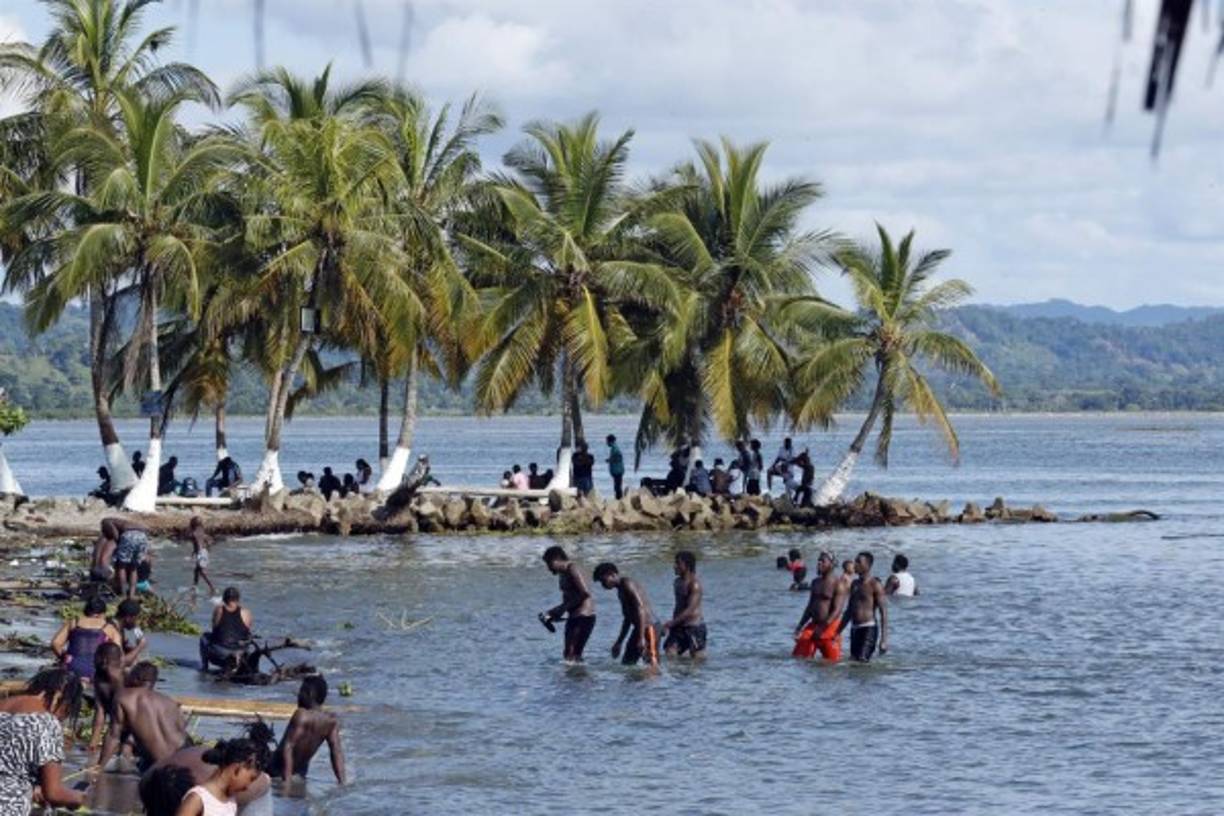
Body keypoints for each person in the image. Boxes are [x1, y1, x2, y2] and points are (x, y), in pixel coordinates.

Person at [0, 669, 86, 814]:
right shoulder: (46, 722)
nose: (62, 718)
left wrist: (33, 787)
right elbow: (54, 794)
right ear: (59, 697)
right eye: (67, 710)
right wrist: (77, 797)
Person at [100, 662, 190, 772]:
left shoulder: (124, 696)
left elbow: (113, 736)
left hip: (158, 762)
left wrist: (99, 767)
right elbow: (182, 726)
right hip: (185, 754)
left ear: (136, 678)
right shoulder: (169, 702)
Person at [272, 676, 347, 784]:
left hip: (276, 770)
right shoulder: (331, 721)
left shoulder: (301, 715)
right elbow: (336, 751)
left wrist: (287, 783)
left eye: (301, 691)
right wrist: (342, 782)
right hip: (299, 773)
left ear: (310, 694)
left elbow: (288, 747)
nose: (298, 696)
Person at [173, 737, 264, 816]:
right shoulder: (198, 799)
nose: (247, 787)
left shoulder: (231, 802)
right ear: (236, 769)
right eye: (251, 779)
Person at [593, 562, 659, 668]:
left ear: (612, 574)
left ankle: (657, 684)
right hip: (639, 629)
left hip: (649, 627)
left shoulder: (627, 583)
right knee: (627, 663)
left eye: (603, 580)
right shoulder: (620, 591)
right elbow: (628, 618)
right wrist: (619, 642)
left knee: (651, 664)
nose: (603, 585)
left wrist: (641, 638)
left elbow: (640, 608)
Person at [540, 546, 597, 662]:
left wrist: (562, 608)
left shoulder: (572, 568)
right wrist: (553, 613)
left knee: (571, 654)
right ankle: (577, 678)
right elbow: (570, 599)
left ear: (556, 559)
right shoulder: (563, 573)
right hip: (574, 616)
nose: (548, 568)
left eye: (548, 564)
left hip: (583, 616)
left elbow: (585, 593)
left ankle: (577, 678)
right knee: (571, 654)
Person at [50, 593, 122, 680]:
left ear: (86, 611)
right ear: (102, 614)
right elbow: (118, 653)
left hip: (71, 666)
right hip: (95, 670)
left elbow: (55, 643)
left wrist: (64, 656)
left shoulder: (74, 622)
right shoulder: (108, 628)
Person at [793, 551, 849, 660]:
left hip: (830, 627)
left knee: (831, 664)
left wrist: (823, 628)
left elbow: (837, 610)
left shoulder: (839, 584)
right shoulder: (815, 582)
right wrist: (799, 626)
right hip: (813, 626)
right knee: (798, 658)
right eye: (818, 561)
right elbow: (810, 607)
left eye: (823, 561)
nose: (819, 563)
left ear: (832, 564)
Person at [837, 551, 889, 662]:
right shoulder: (854, 584)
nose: (854, 564)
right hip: (855, 629)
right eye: (855, 561)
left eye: (858, 562)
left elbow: (883, 612)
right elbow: (849, 611)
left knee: (862, 661)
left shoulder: (875, 584)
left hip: (869, 629)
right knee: (853, 662)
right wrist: (837, 632)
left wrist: (883, 640)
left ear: (868, 565)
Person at [661, 551, 706, 658]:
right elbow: (678, 607)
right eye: (675, 563)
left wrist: (670, 624)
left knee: (697, 660)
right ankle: (676, 674)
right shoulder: (677, 582)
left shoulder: (694, 584)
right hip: (678, 627)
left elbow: (690, 610)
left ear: (687, 565)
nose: (674, 566)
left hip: (694, 627)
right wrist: (673, 626)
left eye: (678, 563)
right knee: (669, 653)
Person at [199, 587, 253, 672]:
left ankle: (204, 667)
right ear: (238, 599)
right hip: (241, 653)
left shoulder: (219, 610)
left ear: (224, 599)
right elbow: (247, 632)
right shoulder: (246, 613)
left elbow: (215, 629)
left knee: (204, 637)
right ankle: (237, 665)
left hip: (221, 653)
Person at [90, 642, 125, 757]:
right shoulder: (98, 676)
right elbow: (100, 710)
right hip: (120, 718)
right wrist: (93, 742)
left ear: (103, 659)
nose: (93, 659)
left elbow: (121, 712)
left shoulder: (119, 678)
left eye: (95, 656)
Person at [110, 516, 152, 599]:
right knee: (134, 568)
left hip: (128, 536)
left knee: (121, 567)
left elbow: (115, 536)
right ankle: (132, 595)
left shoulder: (107, 522)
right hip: (142, 536)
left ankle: (123, 593)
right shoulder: (130, 523)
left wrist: (119, 544)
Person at [188, 516, 217, 596]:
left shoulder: (194, 533)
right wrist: (196, 552)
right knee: (196, 571)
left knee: (201, 571)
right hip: (204, 551)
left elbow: (198, 544)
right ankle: (194, 586)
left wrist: (198, 553)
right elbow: (206, 541)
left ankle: (212, 587)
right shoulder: (201, 530)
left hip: (201, 552)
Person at [116, 598, 149, 667]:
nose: (137, 622)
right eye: (136, 618)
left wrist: (126, 648)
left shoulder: (117, 627)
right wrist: (140, 647)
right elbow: (121, 663)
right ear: (128, 618)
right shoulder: (115, 632)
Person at [90, 518, 119, 584]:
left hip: (93, 570)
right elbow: (104, 559)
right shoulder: (113, 541)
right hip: (104, 571)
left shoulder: (100, 539)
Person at [605, 435, 625, 499]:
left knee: (617, 487)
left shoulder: (615, 448)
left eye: (607, 441)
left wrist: (610, 460)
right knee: (617, 486)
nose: (606, 443)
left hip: (617, 470)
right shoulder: (614, 448)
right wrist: (610, 459)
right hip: (617, 470)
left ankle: (619, 499)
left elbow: (618, 457)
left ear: (610, 441)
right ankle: (618, 498)